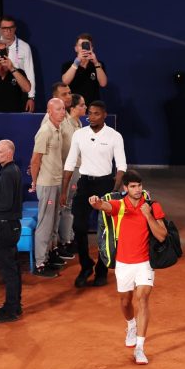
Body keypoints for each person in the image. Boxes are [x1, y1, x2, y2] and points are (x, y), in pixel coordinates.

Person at [88, 170, 167, 365]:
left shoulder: (152, 206)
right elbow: (104, 206)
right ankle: (130, 324)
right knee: (125, 301)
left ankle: (140, 348)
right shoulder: (119, 206)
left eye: (139, 186)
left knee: (143, 299)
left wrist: (148, 216)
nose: (137, 189)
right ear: (125, 188)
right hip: (123, 264)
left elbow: (162, 235)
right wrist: (96, 204)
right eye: (133, 186)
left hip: (145, 263)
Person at [61, 100, 126, 288]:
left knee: (104, 230)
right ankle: (86, 265)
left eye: (96, 113)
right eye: (89, 113)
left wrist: (114, 190)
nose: (91, 116)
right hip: (84, 185)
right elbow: (70, 162)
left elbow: (121, 165)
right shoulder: (79, 135)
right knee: (79, 227)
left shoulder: (115, 136)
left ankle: (102, 270)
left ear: (104, 115)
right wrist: (64, 191)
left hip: (106, 185)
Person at [29, 98, 67, 277]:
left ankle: (48, 256)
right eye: (58, 109)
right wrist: (35, 182)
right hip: (46, 183)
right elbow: (35, 160)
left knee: (53, 222)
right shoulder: (45, 131)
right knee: (45, 223)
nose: (63, 112)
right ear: (49, 111)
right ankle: (40, 264)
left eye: (64, 109)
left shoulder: (58, 129)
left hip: (56, 181)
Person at [0, 140, 23, 323]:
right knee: (13, 268)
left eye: (0, 152)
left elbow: (6, 203)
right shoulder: (13, 170)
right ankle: (15, 305)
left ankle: (11, 310)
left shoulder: (8, 173)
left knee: (9, 269)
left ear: (9, 153)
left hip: (6, 227)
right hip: (12, 225)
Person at [0, 15, 37, 112]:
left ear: (15, 28)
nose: (8, 31)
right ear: (0, 29)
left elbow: (30, 72)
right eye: (4, 28)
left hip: (18, 93)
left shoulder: (24, 47)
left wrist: (31, 97)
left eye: (11, 28)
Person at [56, 93, 86, 258]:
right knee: (66, 205)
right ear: (73, 108)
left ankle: (70, 238)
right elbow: (65, 153)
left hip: (77, 169)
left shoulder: (78, 123)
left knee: (70, 205)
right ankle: (65, 242)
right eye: (82, 105)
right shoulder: (66, 125)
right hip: (70, 170)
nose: (85, 108)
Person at [60, 33, 107, 105]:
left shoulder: (98, 64)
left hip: (92, 108)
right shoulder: (68, 65)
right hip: (74, 107)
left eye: (87, 45)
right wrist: (77, 62)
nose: (84, 48)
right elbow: (65, 82)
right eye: (81, 45)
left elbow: (103, 83)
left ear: (92, 48)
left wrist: (96, 63)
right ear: (76, 48)